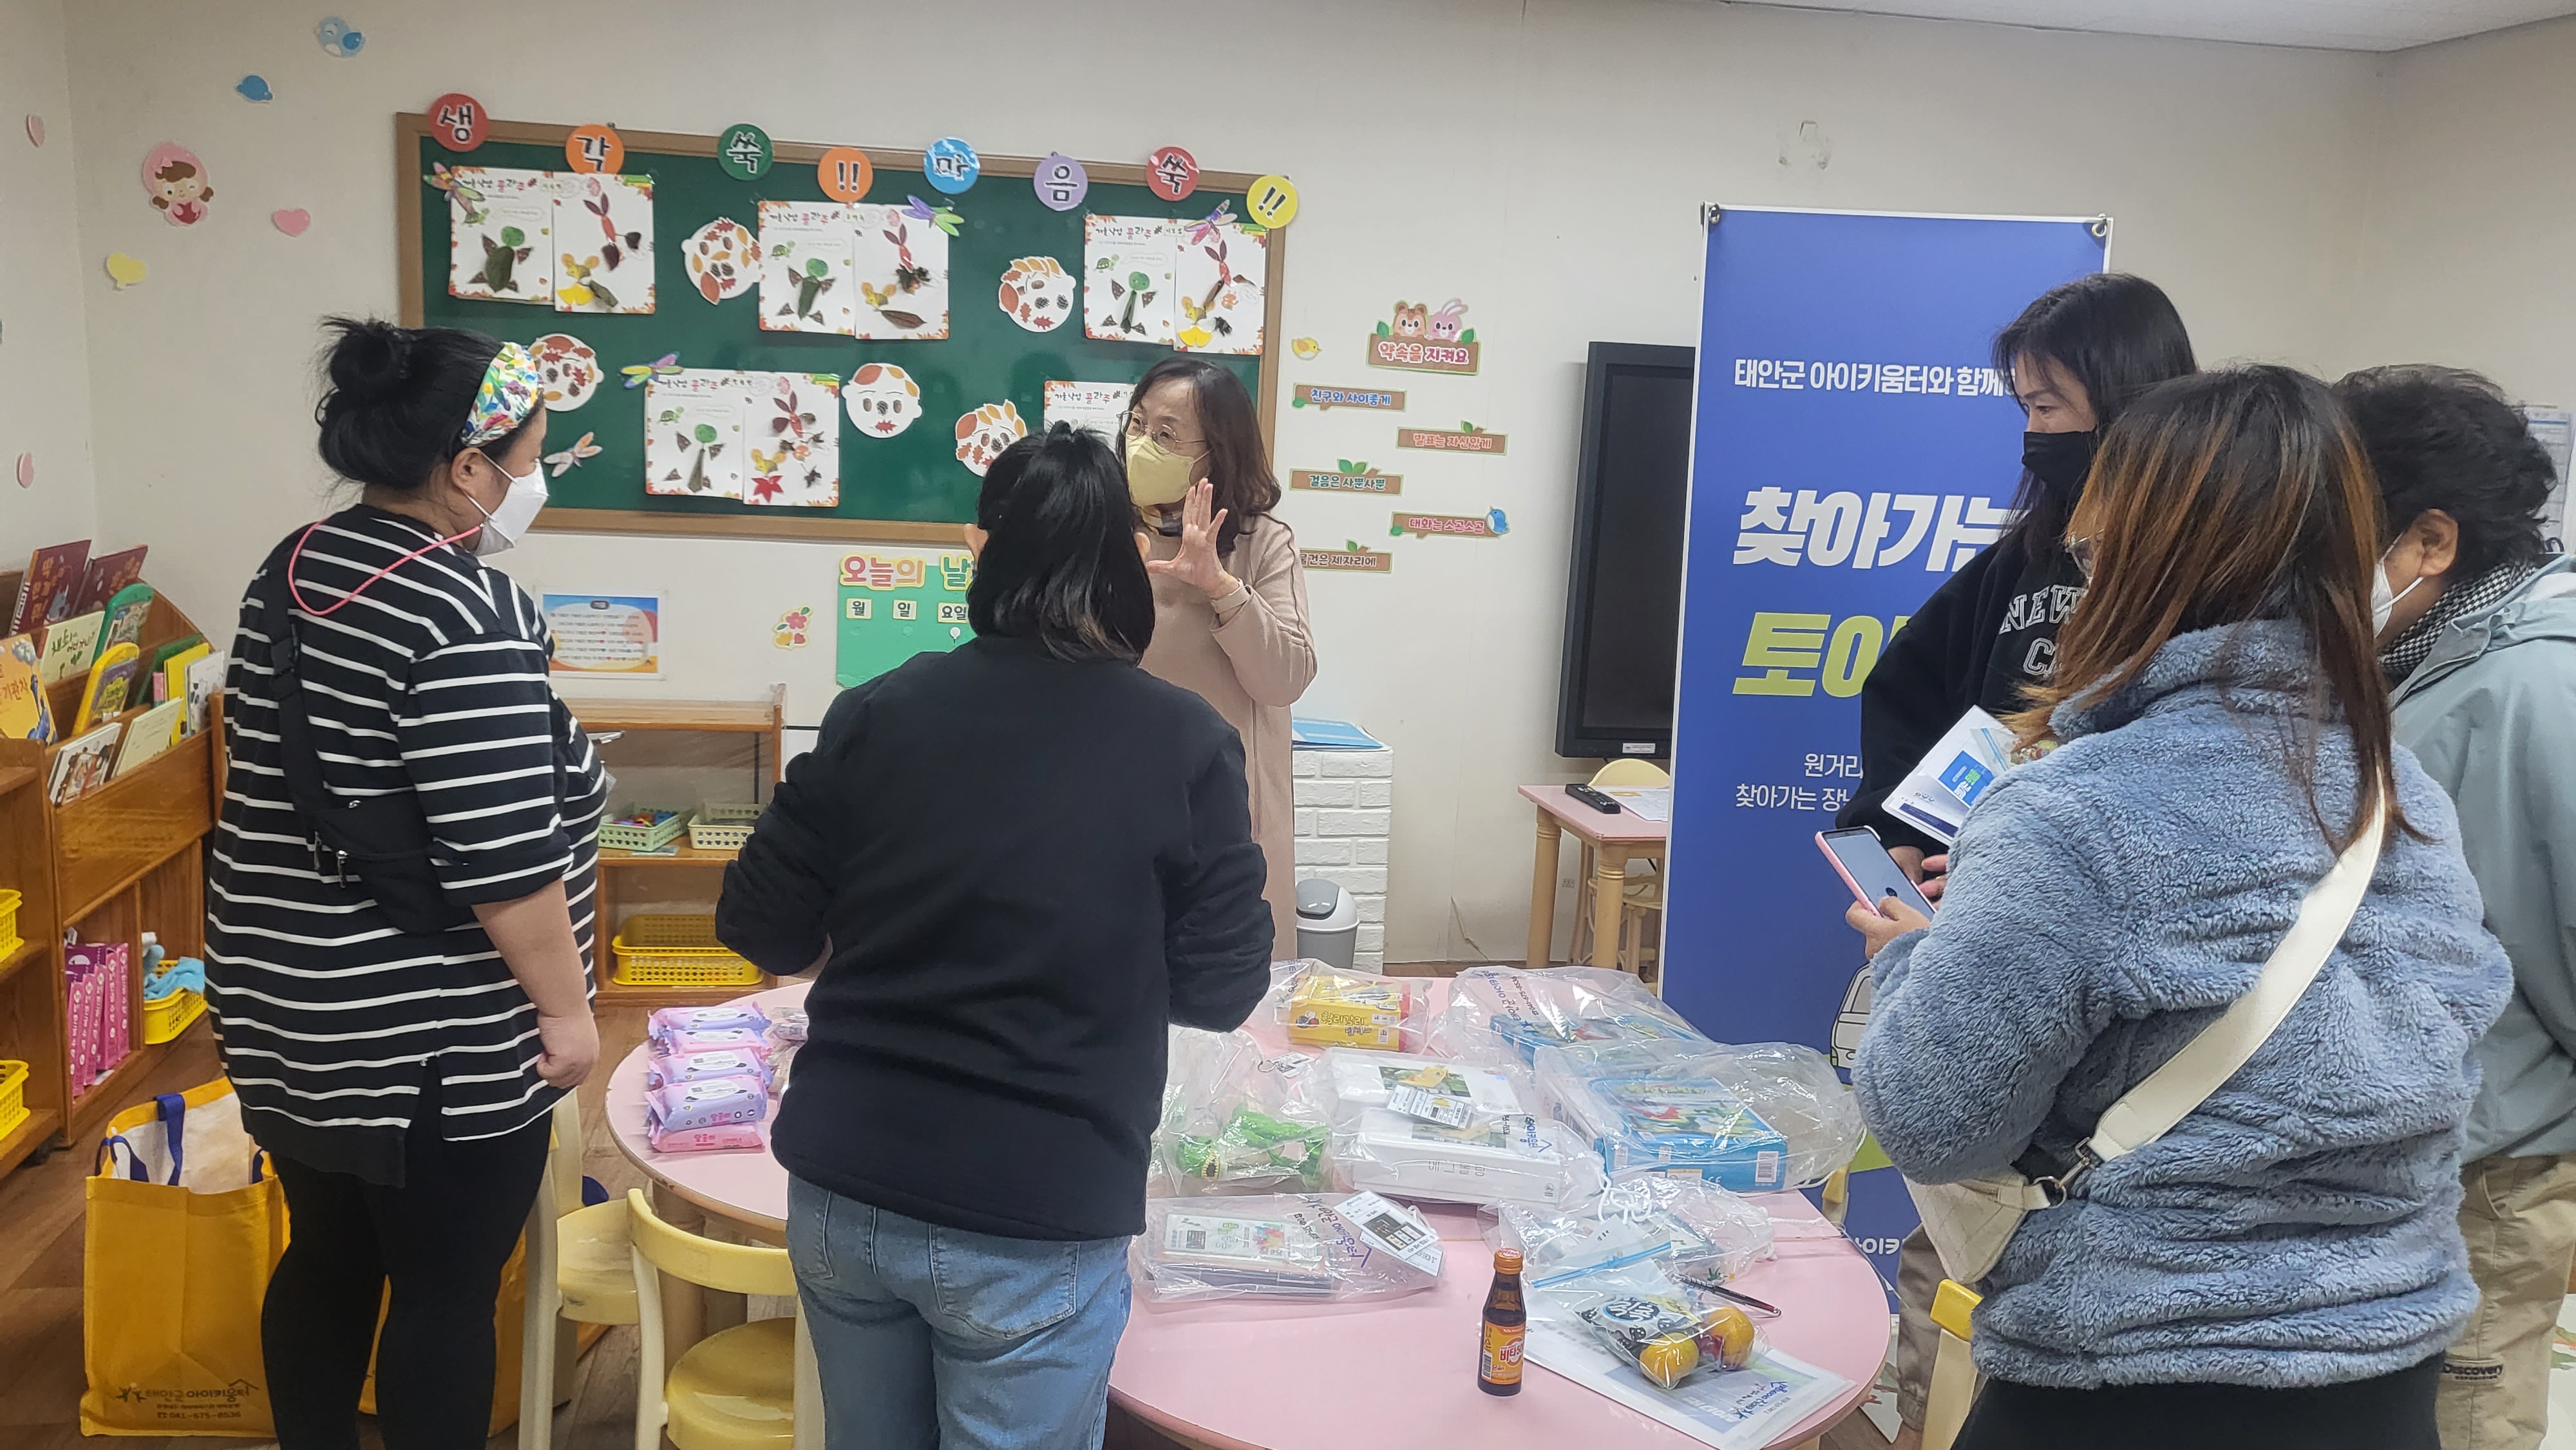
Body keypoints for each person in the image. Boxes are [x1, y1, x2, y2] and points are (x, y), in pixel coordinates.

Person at [1844, 365, 2510, 1450]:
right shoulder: (2403, 794)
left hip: (2127, 1376)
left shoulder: (2074, 809)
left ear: (2132, 562)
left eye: (2089, 552)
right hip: (2384, 1375)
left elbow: (1935, 1122)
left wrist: (1914, 958)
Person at [716, 425, 1275, 1450]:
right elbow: (1222, 985)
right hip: (1040, 1204)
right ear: (1125, 560)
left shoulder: (880, 709)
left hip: (847, 1186)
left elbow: (760, 924)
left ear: (985, 551)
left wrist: (890, 928)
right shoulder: (1184, 738)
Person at [207, 319, 606, 1450]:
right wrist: (567, 1012)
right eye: (530, 458)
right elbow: (503, 861)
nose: (534, 481)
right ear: (467, 467)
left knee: (328, 1254)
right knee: (443, 1291)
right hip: (425, 1034)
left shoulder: (294, 566)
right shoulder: (465, 610)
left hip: (287, 1001)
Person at [1832, 271, 2196, 1444]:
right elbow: (1911, 692)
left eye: (2051, 407)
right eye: (2025, 409)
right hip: (1976, 920)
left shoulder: (2195, 588)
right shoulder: (2023, 558)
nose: (2035, 437)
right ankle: (1924, 1414)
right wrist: (1905, 835)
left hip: (2118, 1004)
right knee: (1951, 1206)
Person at [2339, 364, 2576, 1450]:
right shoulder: (2431, 661)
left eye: (2334, 537)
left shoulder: (2538, 691)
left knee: (2465, 1422)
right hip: (2420, 1155)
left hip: (2490, 1171)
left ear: (2431, 540)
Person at [1125, 357, 1314, 948]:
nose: (1141, 445)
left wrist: (1221, 586)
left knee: (1230, 978)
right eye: (1137, 424)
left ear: (1217, 452)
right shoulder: (1105, 531)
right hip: (1120, 801)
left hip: (1227, 812)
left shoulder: (1262, 541)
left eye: (1166, 435)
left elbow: (1285, 679)